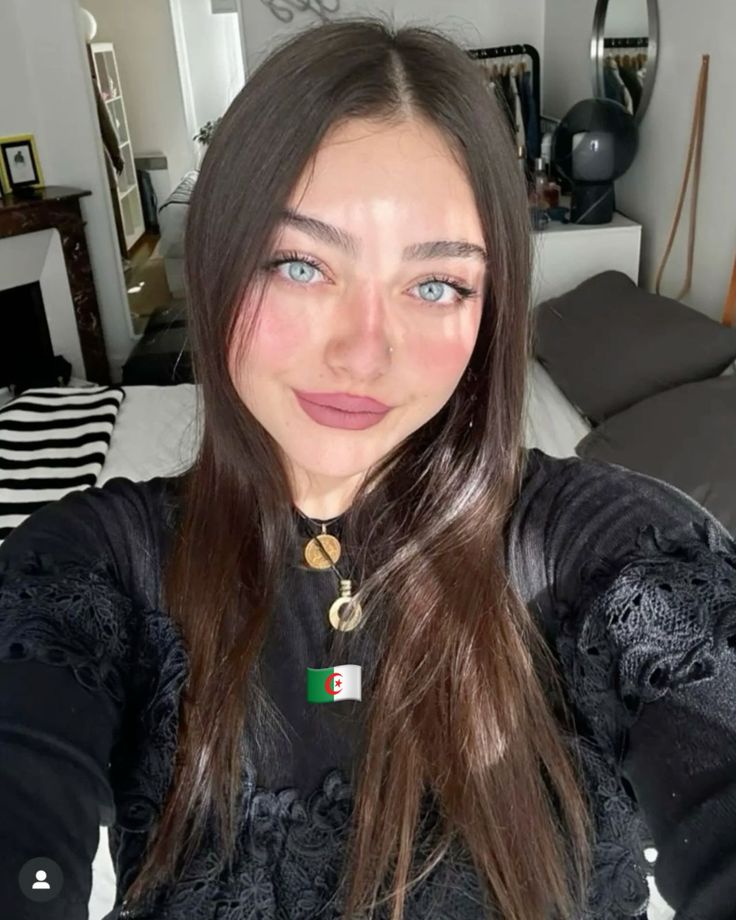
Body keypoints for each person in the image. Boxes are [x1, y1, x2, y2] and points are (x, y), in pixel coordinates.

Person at [1, 17, 735, 920]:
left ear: (490, 308)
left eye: (436, 285)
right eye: (300, 263)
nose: (363, 353)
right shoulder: (90, 563)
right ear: (221, 260)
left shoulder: (607, 548)